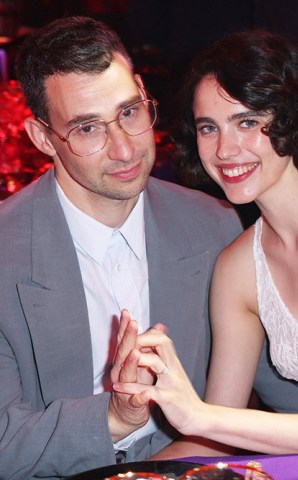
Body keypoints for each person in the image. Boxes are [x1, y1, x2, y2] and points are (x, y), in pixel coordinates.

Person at [114, 29, 298, 453]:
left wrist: (199, 413)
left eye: (248, 122)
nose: (225, 149)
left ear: (293, 117)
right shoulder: (238, 266)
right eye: (208, 127)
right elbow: (210, 440)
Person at [0, 16, 245, 479]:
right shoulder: (5, 252)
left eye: (130, 112)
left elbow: (283, 389)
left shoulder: (214, 225)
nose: (125, 150)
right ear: (42, 138)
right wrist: (114, 417)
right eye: (88, 128)